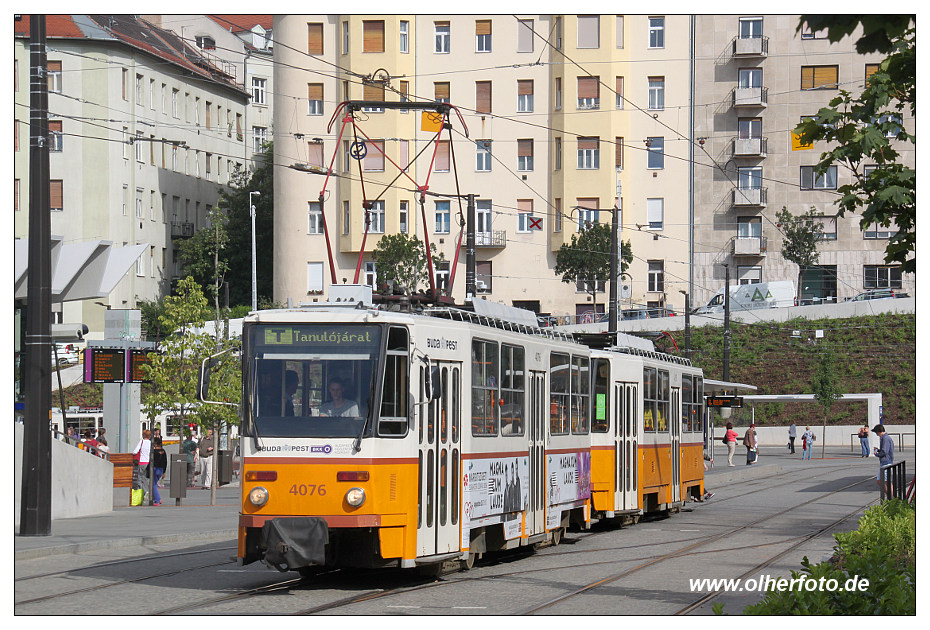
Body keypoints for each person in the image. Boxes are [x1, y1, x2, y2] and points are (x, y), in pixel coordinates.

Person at [872, 424, 895, 496]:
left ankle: (891, 497)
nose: (876, 434)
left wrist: (877, 454)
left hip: (886, 462)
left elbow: (885, 451)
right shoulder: (885, 438)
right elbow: (885, 450)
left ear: (879, 431)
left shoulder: (886, 438)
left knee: (885, 481)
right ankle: (890, 496)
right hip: (885, 462)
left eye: (876, 433)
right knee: (880, 481)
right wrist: (878, 450)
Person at [151, 437, 167, 505]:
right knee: (154, 483)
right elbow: (165, 462)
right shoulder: (163, 451)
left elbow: (151, 461)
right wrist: (164, 472)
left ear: (155, 443)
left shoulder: (153, 452)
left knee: (153, 485)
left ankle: (157, 500)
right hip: (161, 470)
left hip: (155, 468)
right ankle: (157, 499)